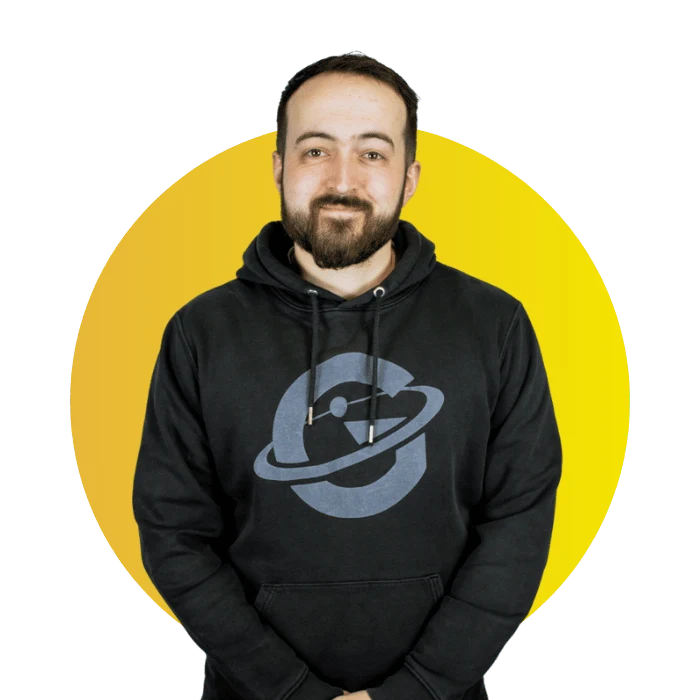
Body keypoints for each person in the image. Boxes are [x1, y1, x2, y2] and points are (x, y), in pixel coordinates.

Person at [132, 51, 563, 700]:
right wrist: (289, 690)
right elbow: (174, 534)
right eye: (315, 150)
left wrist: (418, 689)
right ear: (278, 167)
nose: (342, 179)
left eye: (372, 153)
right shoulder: (201, 332)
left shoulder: (494, 324)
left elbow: (519, 525)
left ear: (409, 177)